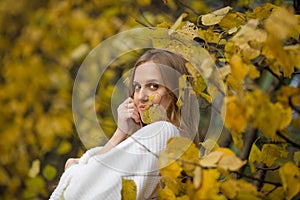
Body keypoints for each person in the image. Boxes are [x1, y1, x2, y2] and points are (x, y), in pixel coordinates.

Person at [49, 49, 200, 200]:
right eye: (137, 87)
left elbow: (81, 192)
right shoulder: (177, 146)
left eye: (153, 86)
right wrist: (121, 133)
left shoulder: (164, 132)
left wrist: (73, 168)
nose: (141, 96)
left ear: (176, 92)